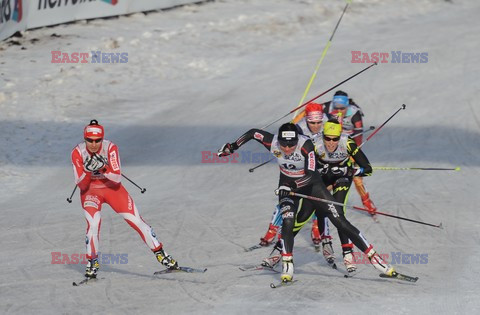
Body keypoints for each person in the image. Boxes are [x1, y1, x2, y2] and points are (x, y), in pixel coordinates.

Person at [218, 123, 396, 282]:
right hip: (286, 186)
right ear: (278, 140)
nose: (287, 149)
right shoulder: (272, 142)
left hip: (312, 186)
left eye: (291, 144)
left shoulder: (306, 145)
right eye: (284, 144)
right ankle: (287, 264)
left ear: (297, 140)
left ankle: (376, 260)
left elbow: (311, 174)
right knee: (289, 219)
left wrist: (294, 185)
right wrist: (232, 147)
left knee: (339, 220)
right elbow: (253, 132)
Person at [71, 119, 179, 278]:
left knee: (136, 221)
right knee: (93, 224)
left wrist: (103, 168)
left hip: (112, 189)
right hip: (91, 192)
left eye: (97, 140)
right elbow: (81, 185)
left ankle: (161, 254)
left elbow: (116, 178)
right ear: (84, 138)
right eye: (89, 140)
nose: (93, 144)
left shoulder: (110, 148)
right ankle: (92, 262)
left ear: (102, 138)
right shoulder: (77, 152)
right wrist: (87, 172)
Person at [259, 103, 328, 253]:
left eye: (318, 122)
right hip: (295, 170)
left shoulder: (327, 124)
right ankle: (273, 229)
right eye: (312, 122)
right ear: (307, 120)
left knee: (317, 199)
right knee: (286, 198)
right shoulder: (300, 127)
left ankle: (316, 228)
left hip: (315, 168)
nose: (316, 125)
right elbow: (288, 134)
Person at [324, 90, 378, 215]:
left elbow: (358, 137)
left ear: (347, 106)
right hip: (332, 145)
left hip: (349, 146)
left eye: (342, 108)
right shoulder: (327, 107)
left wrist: (352, 153)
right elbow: (310, 112)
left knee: (357, 179)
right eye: (337, 108)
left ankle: (367, 202)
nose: (339, 111)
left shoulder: (355, 114)